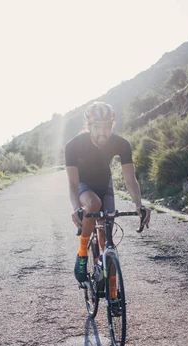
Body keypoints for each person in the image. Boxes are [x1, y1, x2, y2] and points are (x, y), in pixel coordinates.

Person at [65, 101, 151, 284]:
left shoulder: (121, 144)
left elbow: (130, 179)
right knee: (93, 204)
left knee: (107, 240)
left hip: (105, 185)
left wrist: (139, 205)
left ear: (113, 125)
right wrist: (75, 208)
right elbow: (72, 183)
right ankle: (82, 254)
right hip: (83, 185)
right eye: (97, 127)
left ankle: (113, 296)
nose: (102, 132)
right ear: (89, 127)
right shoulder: (74, 145)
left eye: (107, 127)